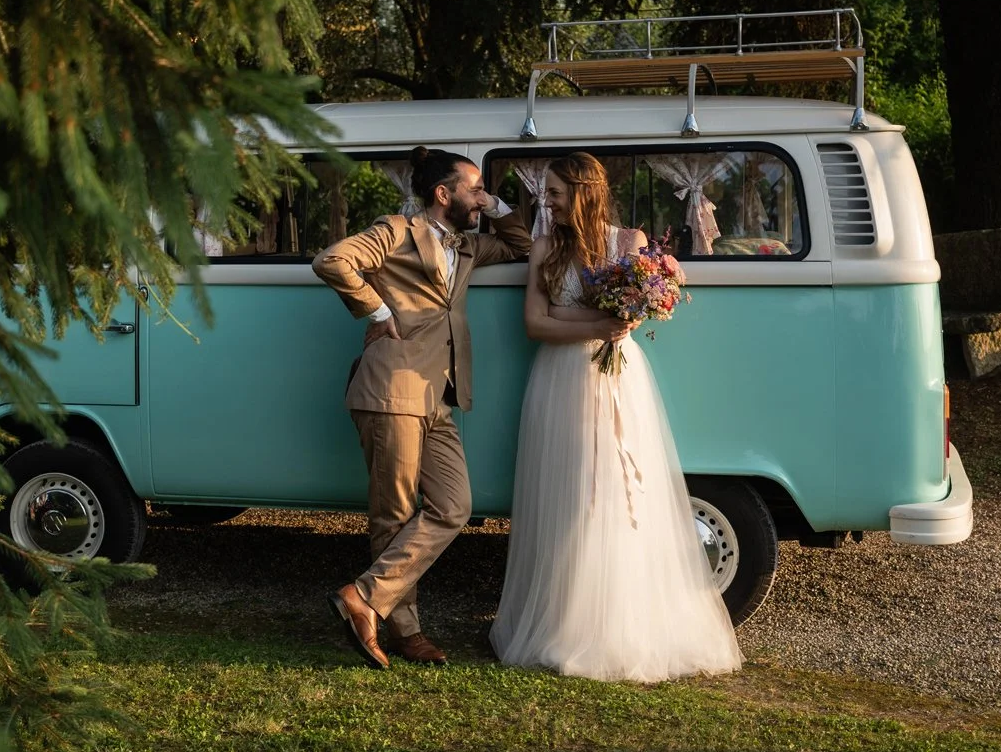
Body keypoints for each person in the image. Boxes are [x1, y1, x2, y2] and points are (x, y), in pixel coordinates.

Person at [489, 152, 741, 681]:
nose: (547, 201)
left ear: (583, 192)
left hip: (616, 378)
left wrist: (575, 316)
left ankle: (618, 621)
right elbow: (535, 324)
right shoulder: (543, 248)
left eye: (555, 192)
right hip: (559, 378)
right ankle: (564, 622)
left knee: (612, 488)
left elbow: (625, 317)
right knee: (567, 491)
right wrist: (590, 323)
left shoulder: (631, 244)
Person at [313, 146, 532, 668]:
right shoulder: (395, 230)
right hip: (390, 389)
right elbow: (332, 260)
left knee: (454, 507)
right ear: (442, 193)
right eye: (472, 188)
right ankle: (406, 633)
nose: (480, 198)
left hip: (438, 394)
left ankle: (364, 598)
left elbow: (523, 246)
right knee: (393, 514)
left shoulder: (471, 245)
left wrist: (496, 205)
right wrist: (378, 310)